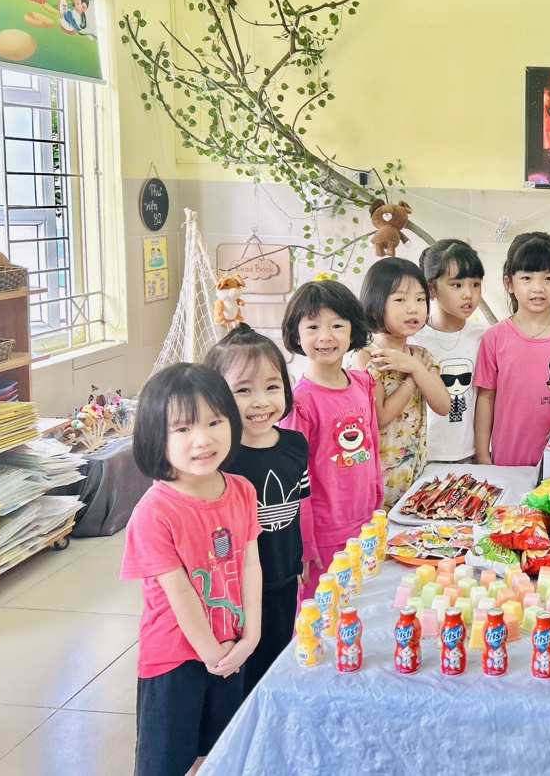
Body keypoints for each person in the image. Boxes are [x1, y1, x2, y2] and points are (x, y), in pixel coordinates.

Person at [120, 364, 262, 776]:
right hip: (176, 658)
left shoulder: (242, 490)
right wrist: (214, 654)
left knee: (220, 752)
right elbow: (179, 592)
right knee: (166, 762)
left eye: (214, 422)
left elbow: (250, 564)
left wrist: (250, 636)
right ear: (156, 437)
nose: (203, 439)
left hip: (231, 645)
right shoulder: (154, 511)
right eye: (182, 429)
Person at [204, 323, 309, 695]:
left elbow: (300, 505)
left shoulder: (295, 444)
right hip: (235, 591)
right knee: (237, 675)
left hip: (283, 578)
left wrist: (302, 558)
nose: (261, 402)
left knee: (275, 661)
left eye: (272, 386)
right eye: (243, 390)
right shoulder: (220, 460)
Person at [278, 279, 380, 596]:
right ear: (296, 335)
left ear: (352, 331)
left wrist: (378, 507)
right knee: (322, 614)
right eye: (313, 327)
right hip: (323, 535)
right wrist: (303, 543)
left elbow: (373, 450)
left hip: (366, 524)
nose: (325, 336)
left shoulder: (362, 384)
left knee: (361, 607)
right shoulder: (299, 402)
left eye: (337, 325)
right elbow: (292, 481)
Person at [475, 231, 550, 466]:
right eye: (527, 278)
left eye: (549, 278)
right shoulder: (494, 338)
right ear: (509, 283)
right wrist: (482, 455)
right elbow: (486, 398)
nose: (538, 288)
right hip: (506, 462)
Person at [354, 258, 450, 508]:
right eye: (400, 300)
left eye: (420, 299)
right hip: (378, 480)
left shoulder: (421, 355)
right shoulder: (365, 356)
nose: (413, 309)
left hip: (415, 475)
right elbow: (380, 417)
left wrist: (415, 367)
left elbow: (443, 406)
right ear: (376, 302)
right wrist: (412, 379)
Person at [413, 239, 487, 463]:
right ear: (431, 289)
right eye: (457, 285)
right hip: (424, 456)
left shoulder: (483, 337)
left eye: (475, 284)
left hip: (469, 453)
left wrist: (483, 453)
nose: (468, 294)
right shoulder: (414, 339)